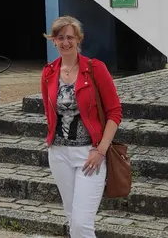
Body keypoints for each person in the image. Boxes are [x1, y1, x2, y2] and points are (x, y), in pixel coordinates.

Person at [40, 16, 122, 238]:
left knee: (81, 223)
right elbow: (50, 113)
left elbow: (115, 112)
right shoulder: (48, 72)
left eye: (70, 37)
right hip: (58, 153)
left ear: (78, 39)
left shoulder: (95, 69)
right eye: (60, 37)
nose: (65, 42)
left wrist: (101, 150)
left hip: (90, 153)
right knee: (71, 217)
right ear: (53, 41)